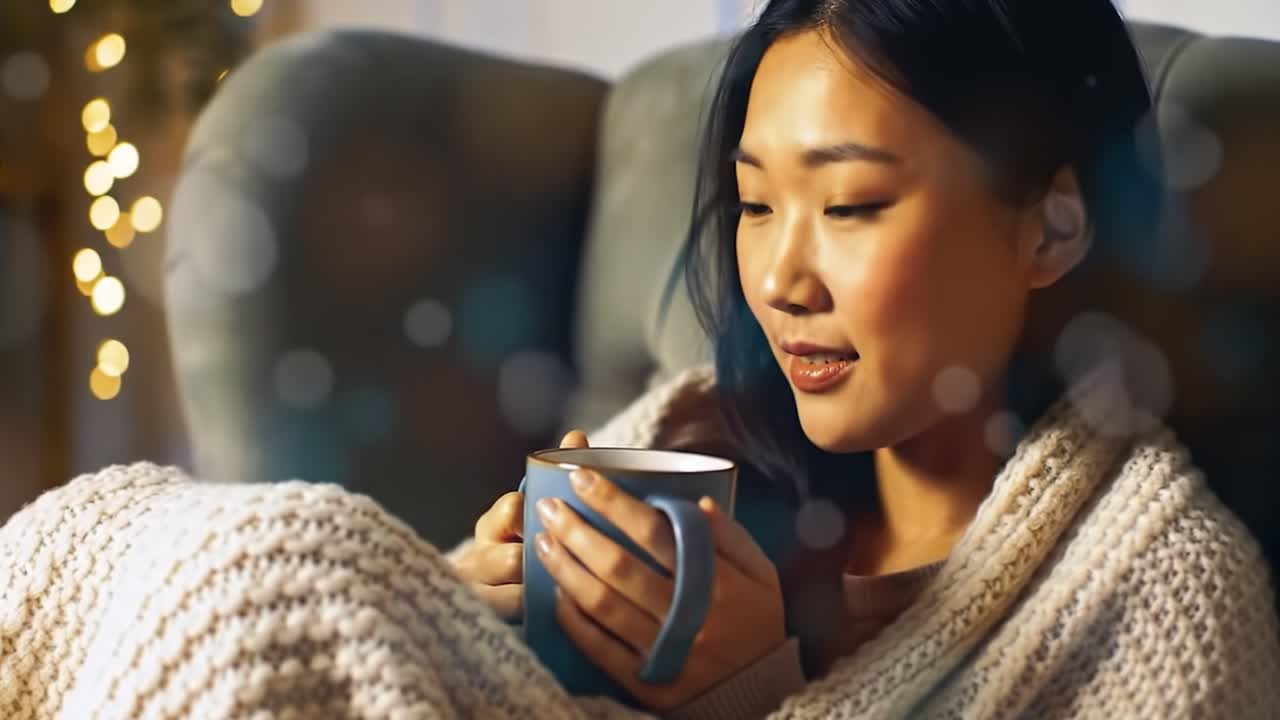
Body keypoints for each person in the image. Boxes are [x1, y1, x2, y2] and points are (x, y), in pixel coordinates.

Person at [2, 1, 1277, 719]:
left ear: (1049, 222)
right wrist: (455, 597)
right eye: (754, 205)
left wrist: (754, 695)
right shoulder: (694, 430)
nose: (776, 277)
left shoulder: (1160, 600)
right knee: (189, 540)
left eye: (847, 206)